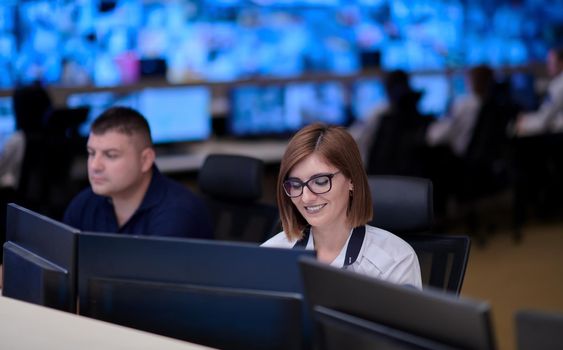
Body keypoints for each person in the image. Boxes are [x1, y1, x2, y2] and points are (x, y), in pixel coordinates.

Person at [261, 123, 422, 289]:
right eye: (295, 184)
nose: (306, 197)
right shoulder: (271, 254)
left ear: (351, 180)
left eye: (321, 181)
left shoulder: (395, 261)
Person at [63, 106, 213, 239]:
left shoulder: (177, 215)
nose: (95, 166)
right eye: (91, 153)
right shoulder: (84, 205)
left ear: (145, 160)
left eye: (111, 155)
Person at [515, 46, 563, 136]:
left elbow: (543, 121)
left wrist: (523, 123)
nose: (548, 66)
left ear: (561, 63)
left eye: (551, 63)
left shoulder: (558, 86)